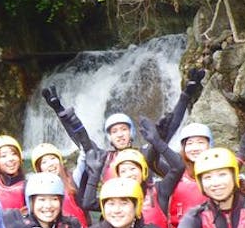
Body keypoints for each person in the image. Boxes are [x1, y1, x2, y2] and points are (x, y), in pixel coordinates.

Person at [42, 68, 205, 189]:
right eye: (114, 131)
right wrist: (59, 110)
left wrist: (185, 95)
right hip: (115, 211)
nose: (120, 135)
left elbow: (169, 130)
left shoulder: (144, 154)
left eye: (123, 129)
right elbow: (79, 139)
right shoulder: (103, 158)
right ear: (110, 138)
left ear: (131, 133)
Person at [81, 117, 185, 228]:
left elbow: (178, 167)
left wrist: (159, 143)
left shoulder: (159, 190)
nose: (129, 174)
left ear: (143, 171)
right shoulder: (115, 197)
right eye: (123, 171)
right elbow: (88, 203)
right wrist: (94, 175)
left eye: (133, 169)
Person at [30, 143, 89, 228]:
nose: (50, 164)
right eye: (44, 162)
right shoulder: (36, 190)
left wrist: (80, 137)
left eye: (53, 158)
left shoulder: (73, 179)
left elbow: (84, 158)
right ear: (39, 168)